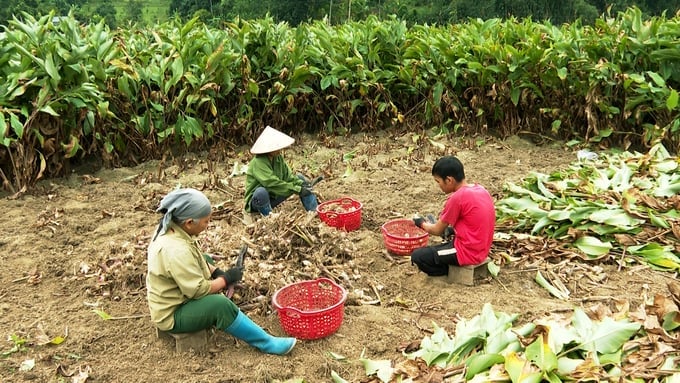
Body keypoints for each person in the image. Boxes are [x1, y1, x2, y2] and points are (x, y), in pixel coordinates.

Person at [146, 188, 296, 355]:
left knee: (207, 260)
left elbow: (198, 259)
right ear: (189, 222)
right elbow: (198, 290)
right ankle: (266, 343)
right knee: (220, 305)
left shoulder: (171, 229)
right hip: (173, 313)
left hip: (176, 297)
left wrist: (216, 271)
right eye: (205, 222)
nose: (208, 225)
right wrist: (226, 279)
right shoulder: (176, 250)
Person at [410, 156, 495, 276]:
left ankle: (448, 273)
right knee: (439, 247)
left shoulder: (457, 198)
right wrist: (450, 230)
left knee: (418, 256)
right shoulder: (481, 190)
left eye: (438, 182)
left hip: (468, 252)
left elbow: (436, 230)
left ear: (449, 180)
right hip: (482, 249)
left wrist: (421, 223)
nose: (439, 186)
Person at [244, 126, 318, 216]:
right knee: (261, 192)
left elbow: (289, 177)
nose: (279, 149)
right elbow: (272, 183)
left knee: (301, 179)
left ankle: (315, 211)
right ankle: (269, 218)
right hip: (259, 201)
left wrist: (303, 185)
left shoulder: (278, 158)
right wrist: (298, 190)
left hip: (274, 195)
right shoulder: (258, 162)